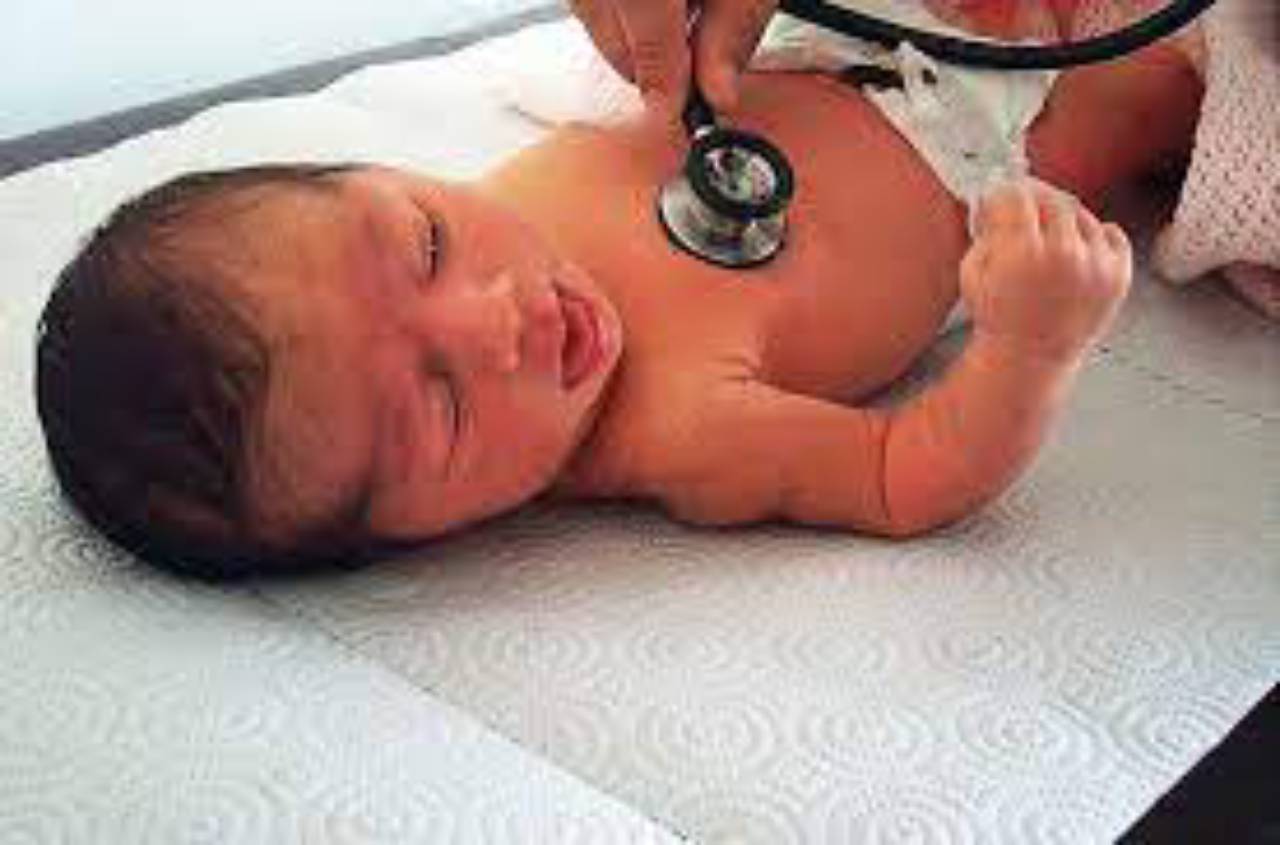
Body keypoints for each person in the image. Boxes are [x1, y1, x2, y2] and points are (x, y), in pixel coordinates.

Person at [35, 1, 1210, 580]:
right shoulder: (680, 431)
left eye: (426, 243)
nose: (492, 318)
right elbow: (903, 475)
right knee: (1151, 90)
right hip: (993, 159)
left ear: (386, 176)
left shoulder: (513, 188)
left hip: (826, 41)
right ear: (415, 538)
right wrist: (1027, 344)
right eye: (440, 405)